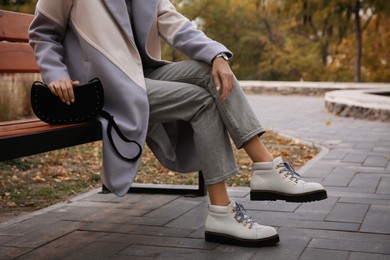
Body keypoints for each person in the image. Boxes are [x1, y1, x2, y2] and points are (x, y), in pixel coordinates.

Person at [29, 0, 327, 247]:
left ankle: (264, 169)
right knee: (202, 100)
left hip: (143, 77)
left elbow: (178, 26)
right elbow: (43, 32)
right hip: (106, 87)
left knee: (213, 71)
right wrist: (56, 75)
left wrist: (217, 55)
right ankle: (224, 210)